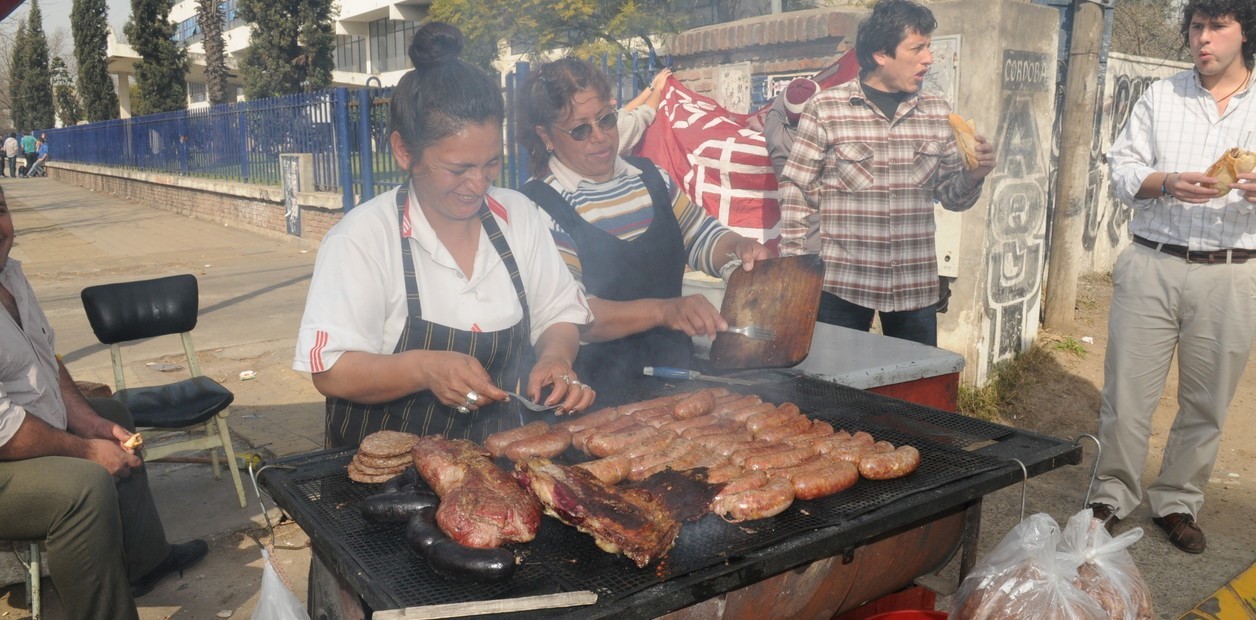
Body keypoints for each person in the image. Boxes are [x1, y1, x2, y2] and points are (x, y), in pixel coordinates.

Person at [293, 22, 595, 449]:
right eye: (458, 169)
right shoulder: (362, 238)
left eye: (490, 164)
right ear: (404, 152)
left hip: (498, 465)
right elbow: (329, 369)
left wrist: (555, 357)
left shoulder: (520, 216)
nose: (478, 184)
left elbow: (559, 312)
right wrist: (422, 368)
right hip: (381, 484)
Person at [1086, 0, 1256, 555]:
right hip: (1153, 261)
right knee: (1128, 392)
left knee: (1207, 400)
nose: (1202, 38)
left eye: (1216, 27)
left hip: (1231, 271)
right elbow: (1122, 167)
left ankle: (1178, 501)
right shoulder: (1162, 95)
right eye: (1195, 27)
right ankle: (1111, 494)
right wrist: (1164, 182)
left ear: (1244, 34)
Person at [0, 185, 208, 617]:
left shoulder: (10, 274)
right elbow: (5, 432)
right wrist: (86, 450)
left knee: (113, 416)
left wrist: (90, 425)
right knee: (83, 487)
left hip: (19, 428)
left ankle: (146, 562)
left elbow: (45, 358)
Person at [519, 57, 772, 401]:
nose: (600, 137)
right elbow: (572, 313)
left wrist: (738, 247)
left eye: (606, 120)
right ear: (545, 136)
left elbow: (701, 237)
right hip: (592, 395)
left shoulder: (651, 177)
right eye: (580, 129)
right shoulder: (539, 206)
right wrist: (664, 311)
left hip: (676, 380)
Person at [777, 0, 995, 347]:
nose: (929, 58)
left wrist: (974, 174)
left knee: (911, 392)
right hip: (842, 287)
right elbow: (796, 190)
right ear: (881, 54)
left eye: (930, 47)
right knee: (836, 391)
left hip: (915, 291)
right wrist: (795, 269)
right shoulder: (827, 108)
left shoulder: (936, 113)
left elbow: (953, 199)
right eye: (918, 48)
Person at [616, 67, 672, 155]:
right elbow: (644, 115)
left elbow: (623, 112)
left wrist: (652, 87)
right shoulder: (609, 129)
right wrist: (658, 89)